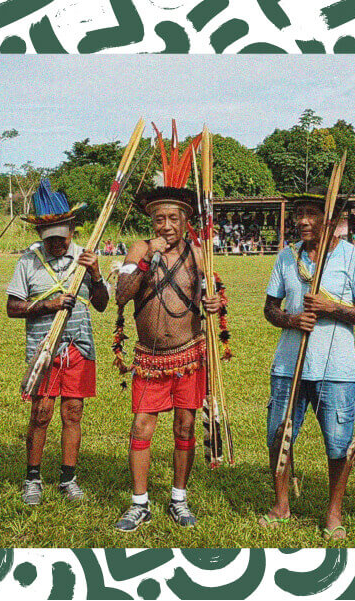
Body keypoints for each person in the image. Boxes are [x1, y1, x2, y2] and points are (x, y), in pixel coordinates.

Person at [112, 123, 222, 531]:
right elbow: (122, 295)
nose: (166, 226)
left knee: (186, 424)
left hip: (189, 354)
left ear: (185, 219)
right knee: (141, 424)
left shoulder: (199, 254)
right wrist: (146, 259)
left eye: (173, 218)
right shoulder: (140, 248)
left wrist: (214, 302)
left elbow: (215, 296)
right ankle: (139, 502)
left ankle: (179, 498)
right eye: (159, 219)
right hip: (149, 357)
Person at [261, 191, 355, 540]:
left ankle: (334, 513)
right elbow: (270, 308)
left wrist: (332, 308)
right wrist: (292, 320)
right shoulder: (287, 257)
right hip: (288, 366)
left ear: (331, 219)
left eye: (311, 213)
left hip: (337, 369)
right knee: (278, 435)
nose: (302, 220)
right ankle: (281, 505)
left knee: (338, 442)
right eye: (299, 213)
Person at [6, 179, 109, 505]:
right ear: (41, 236)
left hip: (79, 347)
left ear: (72, 232)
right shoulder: (28, 261)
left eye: (61, 239)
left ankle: (68, 478)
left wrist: (95, 274)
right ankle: (32, 479)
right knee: (41, 413)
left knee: (73, 412)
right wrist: (46, 306)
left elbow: (103, 303)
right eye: (50, 240)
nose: (56, 245)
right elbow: (12, 307)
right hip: (44, 350)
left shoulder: (85, 258)